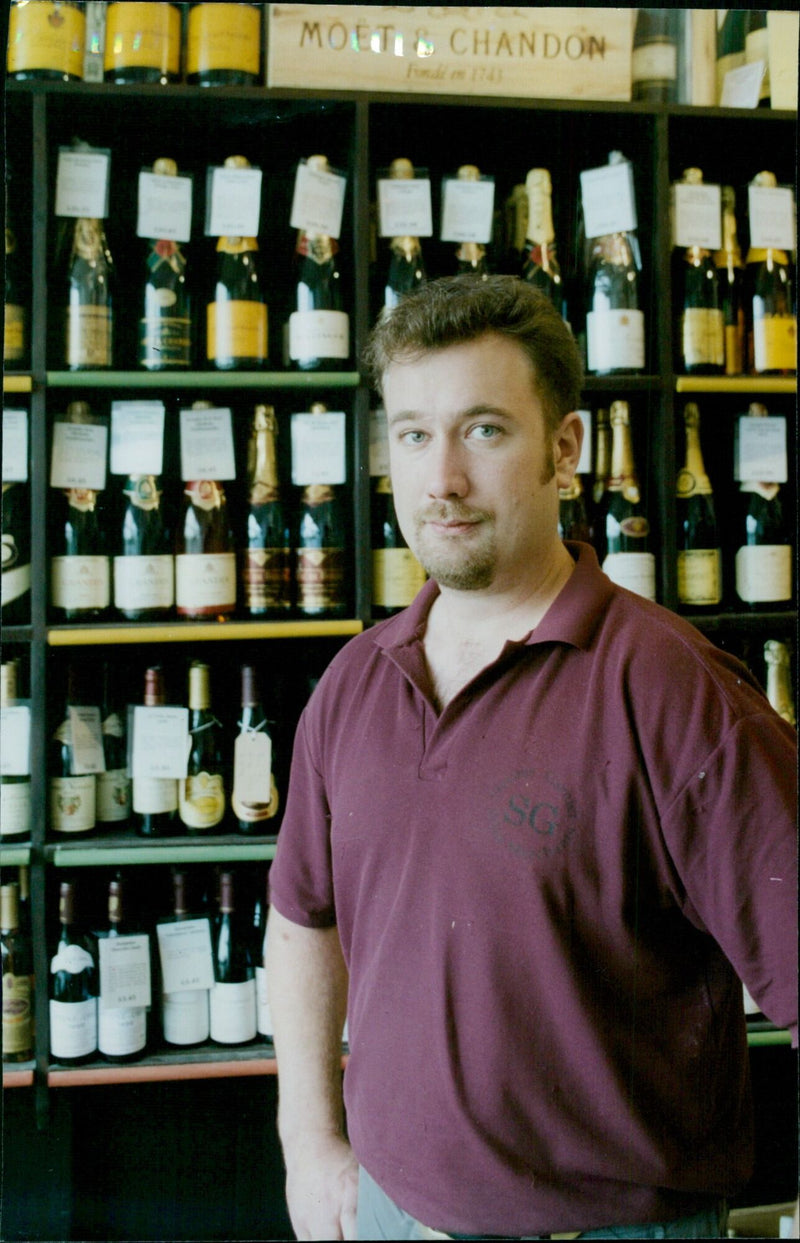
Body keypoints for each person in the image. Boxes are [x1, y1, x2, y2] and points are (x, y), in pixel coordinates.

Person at [266, 275, 797, 1241]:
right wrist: (310, 1144)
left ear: (566, 448)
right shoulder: (353, 683)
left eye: (484, 430)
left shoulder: (675, 689)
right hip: (387, 1213)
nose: (442, 481)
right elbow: (303, 918)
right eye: (414, 435)